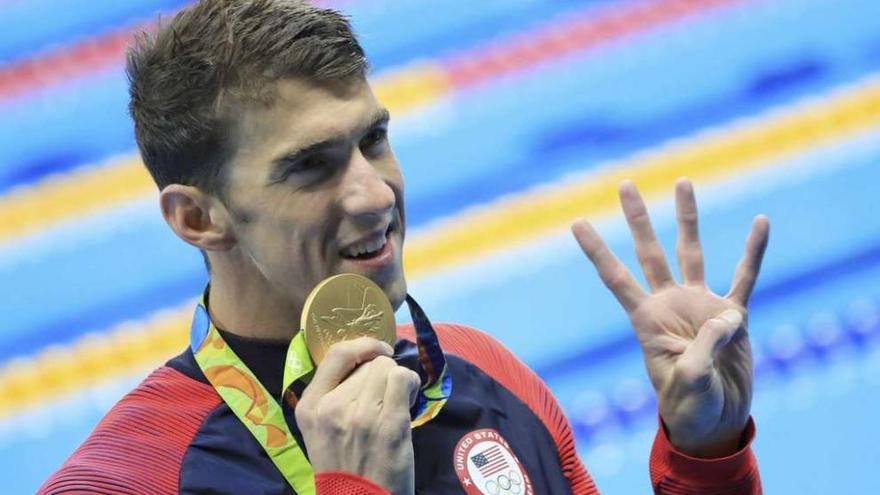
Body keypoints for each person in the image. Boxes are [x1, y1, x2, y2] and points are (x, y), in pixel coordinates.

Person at [39, 1, 769, 494]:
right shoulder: (129, 477)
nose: (374, 194)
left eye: (374, 140)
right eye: (311, 164)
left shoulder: (490, 377)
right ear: (198, 218)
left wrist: (706, 455)